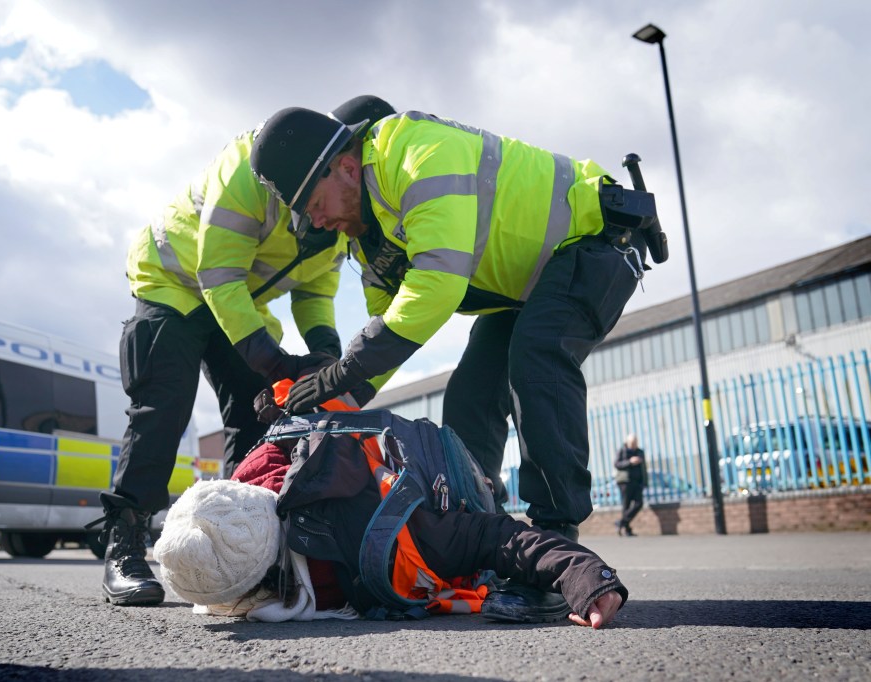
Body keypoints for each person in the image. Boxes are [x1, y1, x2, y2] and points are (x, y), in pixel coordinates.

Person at [249, 106, 664, 546]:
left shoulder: (414, 151)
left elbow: (437, 284)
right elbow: (387, 332)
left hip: (598, 238)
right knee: (471, 394)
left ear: (347, 168)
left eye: (314, 205)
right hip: (530, 284)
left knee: (537, 357)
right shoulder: (372, 241)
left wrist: (340, 372)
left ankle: (556, 539)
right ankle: (481, 535)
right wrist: (318, 403)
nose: (316, 222)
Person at [95, 96, 397, 607]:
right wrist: (275, 360)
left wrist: (325, 355)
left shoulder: (339, 205)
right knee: (163, 403)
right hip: (177, 282)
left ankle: (241, 546)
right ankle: (123, 542)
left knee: (257, 412)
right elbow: (219, 273)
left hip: (239, 301)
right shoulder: (251, 169)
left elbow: (316, 291)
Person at [153, 396, 628, 629]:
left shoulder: (396, 532)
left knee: (479, 448)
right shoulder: (254, 472)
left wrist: (587, 577)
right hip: (402, 465)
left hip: (437, 488)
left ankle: (486, 480)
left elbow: (500, 537)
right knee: (475, 399)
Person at [613, 433, 648, 536]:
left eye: (635, 442)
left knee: (639, 503)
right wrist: (630, 462)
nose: (634, 445)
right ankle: (627, 530)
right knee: (626, 505)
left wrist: (645, 482)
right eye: (632, 443)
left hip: (637, 482)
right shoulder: (622, 450)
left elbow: (644, 468)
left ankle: (621, 523)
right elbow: (617, 464)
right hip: (625, 482)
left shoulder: (640, 452)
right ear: (627, 442)